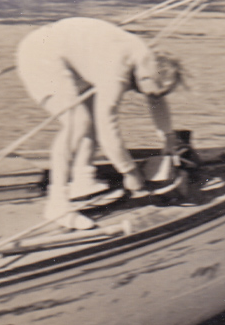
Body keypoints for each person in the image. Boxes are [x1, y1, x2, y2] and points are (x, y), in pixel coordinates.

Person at [16, 17, 182, 230]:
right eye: (149, 91)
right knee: (78, 123)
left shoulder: (145, 59)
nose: (149, 96)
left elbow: (156, 97)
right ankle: (56, 203)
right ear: (146, 78)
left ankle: (82, 180)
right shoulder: (118, 72)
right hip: (41, 55)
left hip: (67, 55)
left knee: (89, 119)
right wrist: (130, 174)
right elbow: (108, 129)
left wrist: (168, 137)